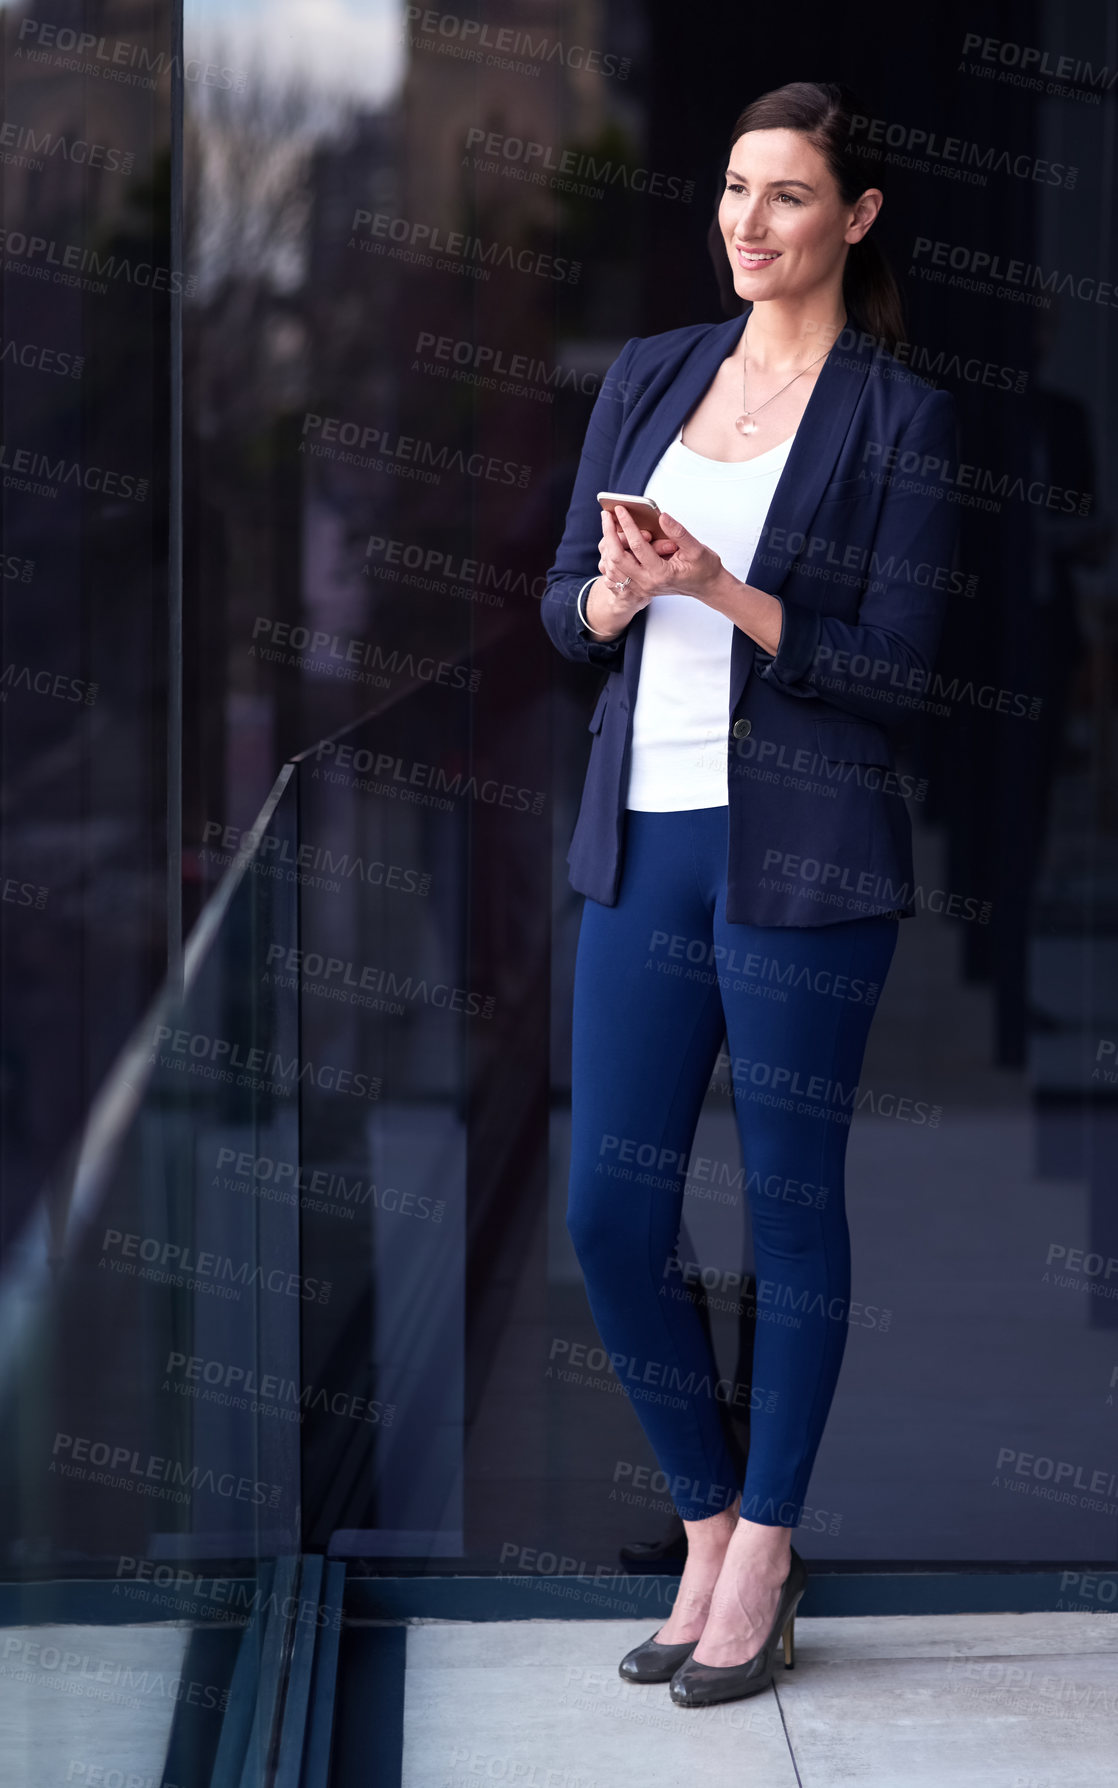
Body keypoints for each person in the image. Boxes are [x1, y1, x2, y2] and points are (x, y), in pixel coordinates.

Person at [540, 80, 961, 1709]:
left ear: (852, 219)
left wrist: (724, 588)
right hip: (639, 840)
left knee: (789, 1212)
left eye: (786, 196)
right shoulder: (651, 374)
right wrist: (617, 590)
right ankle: (707, 1524)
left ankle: (764, 1550)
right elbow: (557, 614)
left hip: (802, 857)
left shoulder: (902, 415)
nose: (746, 221)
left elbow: (900, 678)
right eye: (732, 189)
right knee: (607, 1213)